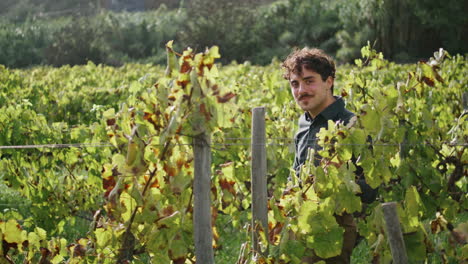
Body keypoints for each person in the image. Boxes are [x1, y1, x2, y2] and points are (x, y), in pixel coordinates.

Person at [282, 47, 375, 263]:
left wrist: (332, 189)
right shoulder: (302, 123)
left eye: (309, 81)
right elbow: (297, 171)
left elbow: (370, 187)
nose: (301, 90)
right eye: (295, 84)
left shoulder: (352, 125)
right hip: (302, 218)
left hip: (334, 225)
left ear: (329, 81)